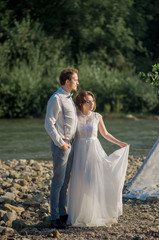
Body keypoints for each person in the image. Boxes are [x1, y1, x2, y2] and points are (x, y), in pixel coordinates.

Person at [67, 90, 129, 227]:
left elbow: (105, 134)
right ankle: (79, 215)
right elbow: (69, 134)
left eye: (92, 101)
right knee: (79, 182)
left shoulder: (97, 116)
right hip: (79, 152)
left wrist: (120, 143)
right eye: (88, 101)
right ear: (81, 103)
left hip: (94, 151)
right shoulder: (75, 116)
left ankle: (94, 214)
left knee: (92, 182)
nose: (91, 103)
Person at [45, 68, 79, 229]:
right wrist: (61, 143)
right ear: (67, 81)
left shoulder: (69, 98)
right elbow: (48, 124)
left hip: (70, 144)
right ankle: (54, 217)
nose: (77, 82)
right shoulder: (56, 98)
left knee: (65, 182)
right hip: (62, 145)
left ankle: (62, 212)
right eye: (75, 80)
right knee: (58, 182)